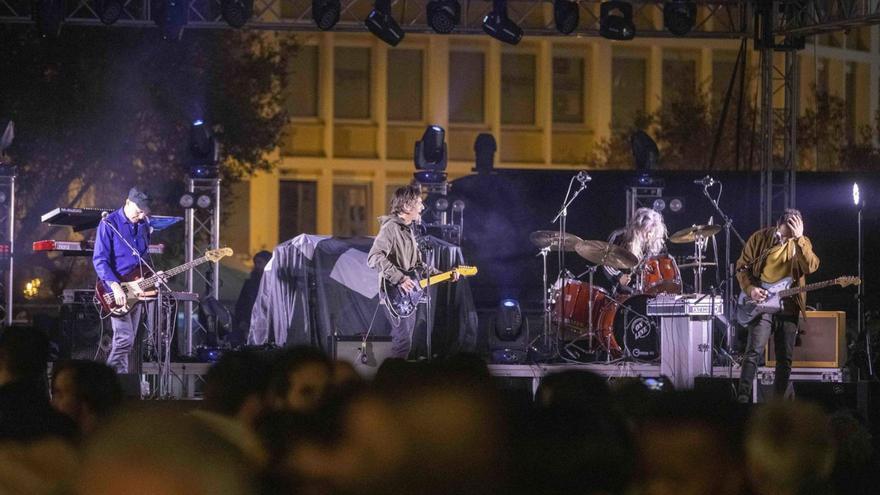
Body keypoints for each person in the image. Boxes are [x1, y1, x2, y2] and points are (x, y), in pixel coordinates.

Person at [735, 209, 819, 403]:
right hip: (763, 303)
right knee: (753, 351)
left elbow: (811, 267)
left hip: (788, 306)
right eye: (782, 235)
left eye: (789, 236)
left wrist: (799, 240)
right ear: (776, 226)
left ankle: (778, 403)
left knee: (784, 358)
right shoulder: (759, 238)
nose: (784, 240)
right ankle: (743, 397)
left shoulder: (802, 242)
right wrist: (751, 289)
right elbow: (742, 267)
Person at [367, 185, 457, 359]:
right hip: (395, 293)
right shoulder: (391, 228)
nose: (422, 207)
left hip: (407, 296)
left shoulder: (408, 230)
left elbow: (418, 266)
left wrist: (445, 275)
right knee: (403, 342)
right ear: (407, 206)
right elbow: (374, 257)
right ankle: (393, 376)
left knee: (406, 343)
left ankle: (396, 374)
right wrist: (400, 279)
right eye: (419, 203)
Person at [92, 187, 155, 374]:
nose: (141, 216)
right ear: (127, 202)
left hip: (136, 287)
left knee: (129, 341)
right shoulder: (109, 223)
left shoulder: (144, 225)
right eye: (139, 211)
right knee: (124, 339)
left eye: (144, 212)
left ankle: (121, 382)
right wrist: (115, 286)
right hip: (114, 289)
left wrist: (151, 274)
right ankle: (107, 381)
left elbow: (143, 258)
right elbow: (100, 260)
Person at [602, 207, 669, 295]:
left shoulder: (653, 243)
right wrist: (619, 276)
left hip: (642, 291)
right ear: (638, 227)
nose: (649, 234)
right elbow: (606, 263)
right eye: (647, 230)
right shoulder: (619, 237)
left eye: (652, 231)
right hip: (617, 291)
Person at [232, 250, 272, 347]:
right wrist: (242, 321)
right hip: (252, 325)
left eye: (260, 262)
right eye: (256, 263)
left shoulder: (277, 284)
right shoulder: (250, 284)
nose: (257, 266)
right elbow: (241, 304)